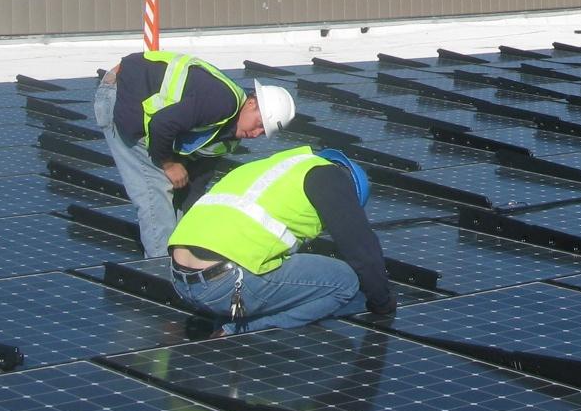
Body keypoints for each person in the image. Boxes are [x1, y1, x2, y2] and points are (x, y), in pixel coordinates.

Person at [166, 146, 396, 332]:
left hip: (179, 281)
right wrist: (382, 304)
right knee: (345, 281)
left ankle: (226, 315)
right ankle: (242, 330)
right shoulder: (332, 178)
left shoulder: (268, 169)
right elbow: (363, 251)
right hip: (223, 286)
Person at [92, 50, 298, 255]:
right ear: (252, 103)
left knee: (180, 194)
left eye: (263, 133)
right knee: (156, 189)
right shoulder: (223, 101)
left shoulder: (227, 140)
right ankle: (161, 270)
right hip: (121, 93)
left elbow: (194, 186)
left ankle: (181, 259)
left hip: (143, 112)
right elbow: (160, 126)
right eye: (259, 124)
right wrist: (169, 165)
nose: (256, 134)